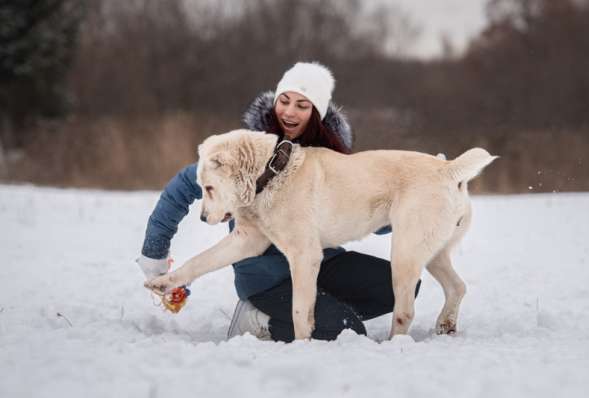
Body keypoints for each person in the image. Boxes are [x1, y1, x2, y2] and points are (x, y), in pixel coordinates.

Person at [136, 62, 421, 342]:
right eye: (284, 101)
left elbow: (367, 211)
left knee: (402, 285)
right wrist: (155, 253)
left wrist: (410, 198)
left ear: (316, 113)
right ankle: (263, 320)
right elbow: (181, 188)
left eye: (302, 105)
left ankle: (323, 310)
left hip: (322, 262)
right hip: (267, 278)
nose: (289, 112)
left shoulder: (331, 156)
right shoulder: (244, 153)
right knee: (344, 331)